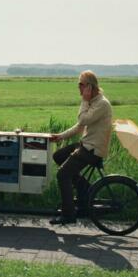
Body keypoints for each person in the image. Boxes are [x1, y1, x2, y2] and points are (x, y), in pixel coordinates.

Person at [49, 70, 112, 225]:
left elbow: (83, 119)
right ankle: (85, 189)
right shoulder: (94, 102)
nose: (79, 89)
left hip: (93, 150)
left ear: (89, 87)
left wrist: (84, 100)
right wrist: (60, 136)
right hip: (86, 145)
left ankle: (69, 215)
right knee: (58, 156)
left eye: (81, 85)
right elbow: (79, 126)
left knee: (63, 175)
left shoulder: (101, 104)